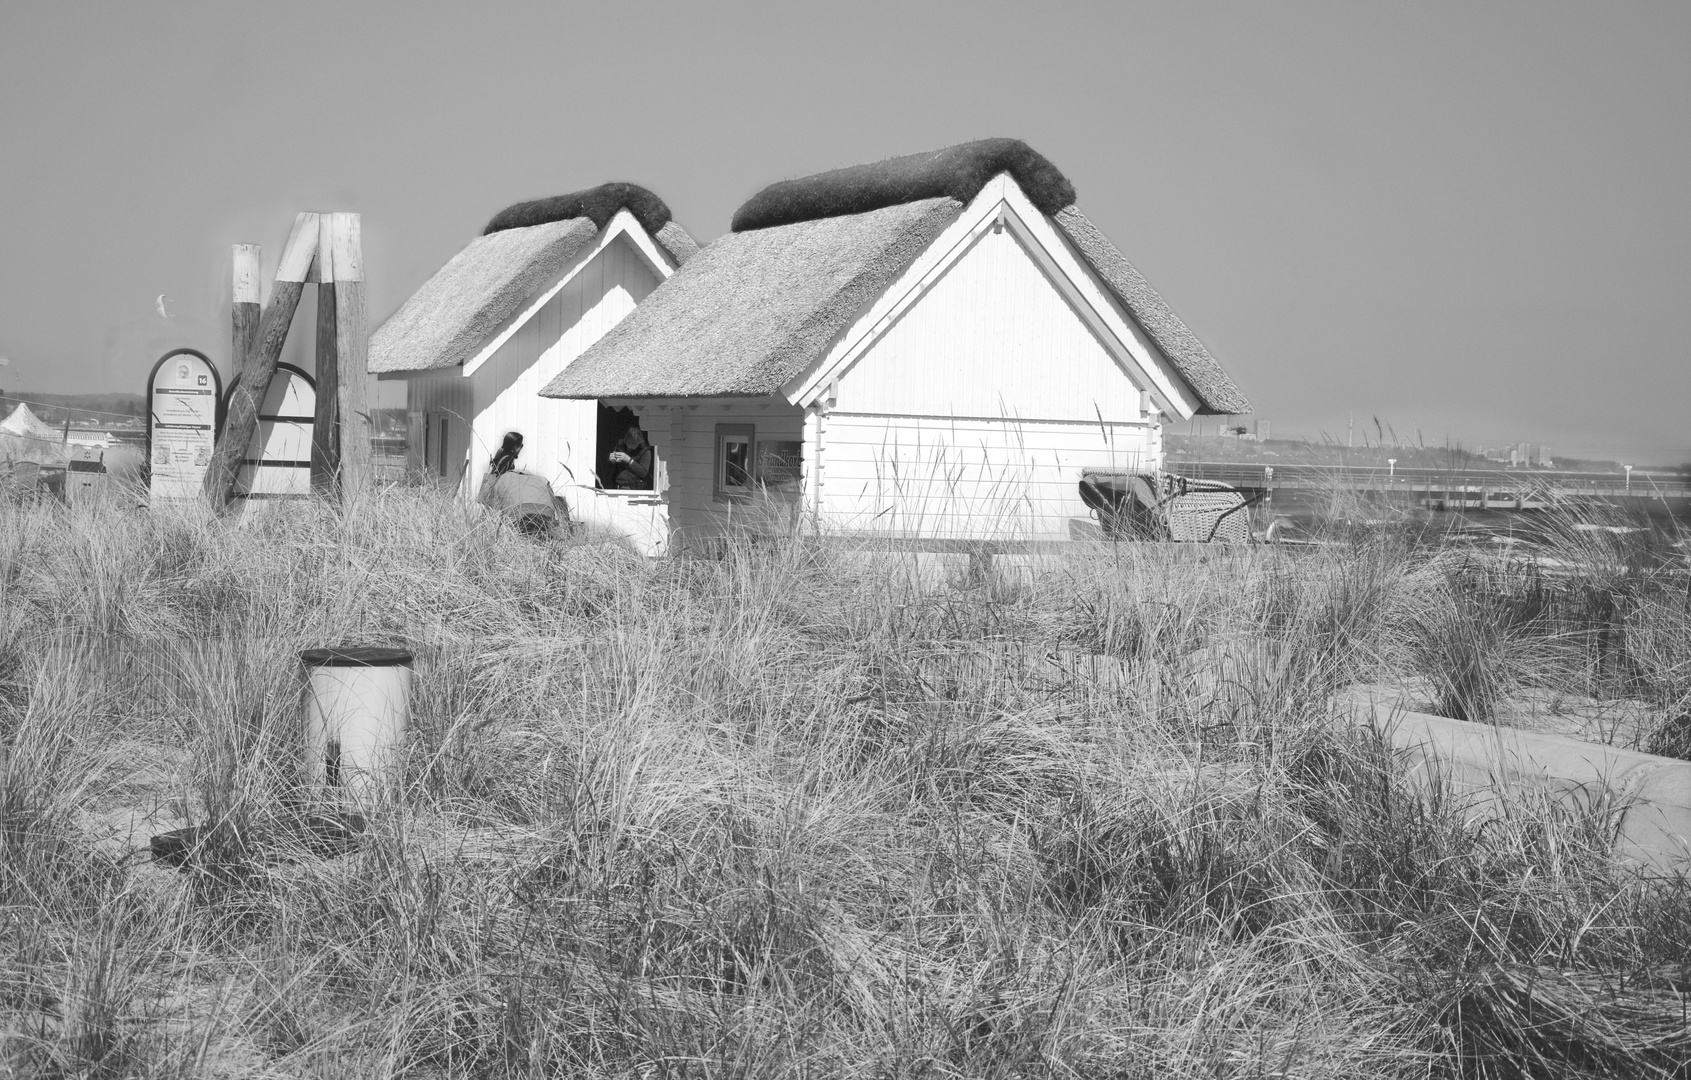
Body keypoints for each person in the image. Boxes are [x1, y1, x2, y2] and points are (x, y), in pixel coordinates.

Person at [478, 431, 569, 536]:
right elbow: (503, 480)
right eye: (521, 445)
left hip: (493, 490)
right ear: (515, 447)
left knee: (487, 518)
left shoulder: (502, 456)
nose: (522, 448)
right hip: (497, 491)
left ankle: (484, 532)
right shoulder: (507, 460)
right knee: (490, 516)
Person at [606, 425, 653, 490]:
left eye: (634, 444)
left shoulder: (645, 451)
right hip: (617, 485)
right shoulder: (620, 445)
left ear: (639, 442)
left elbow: (643, 473)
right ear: (626, 440)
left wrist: (629, 460)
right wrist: (611, 461)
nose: (630, 447)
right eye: (629, 443)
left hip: (635, 487)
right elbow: (609, 468)